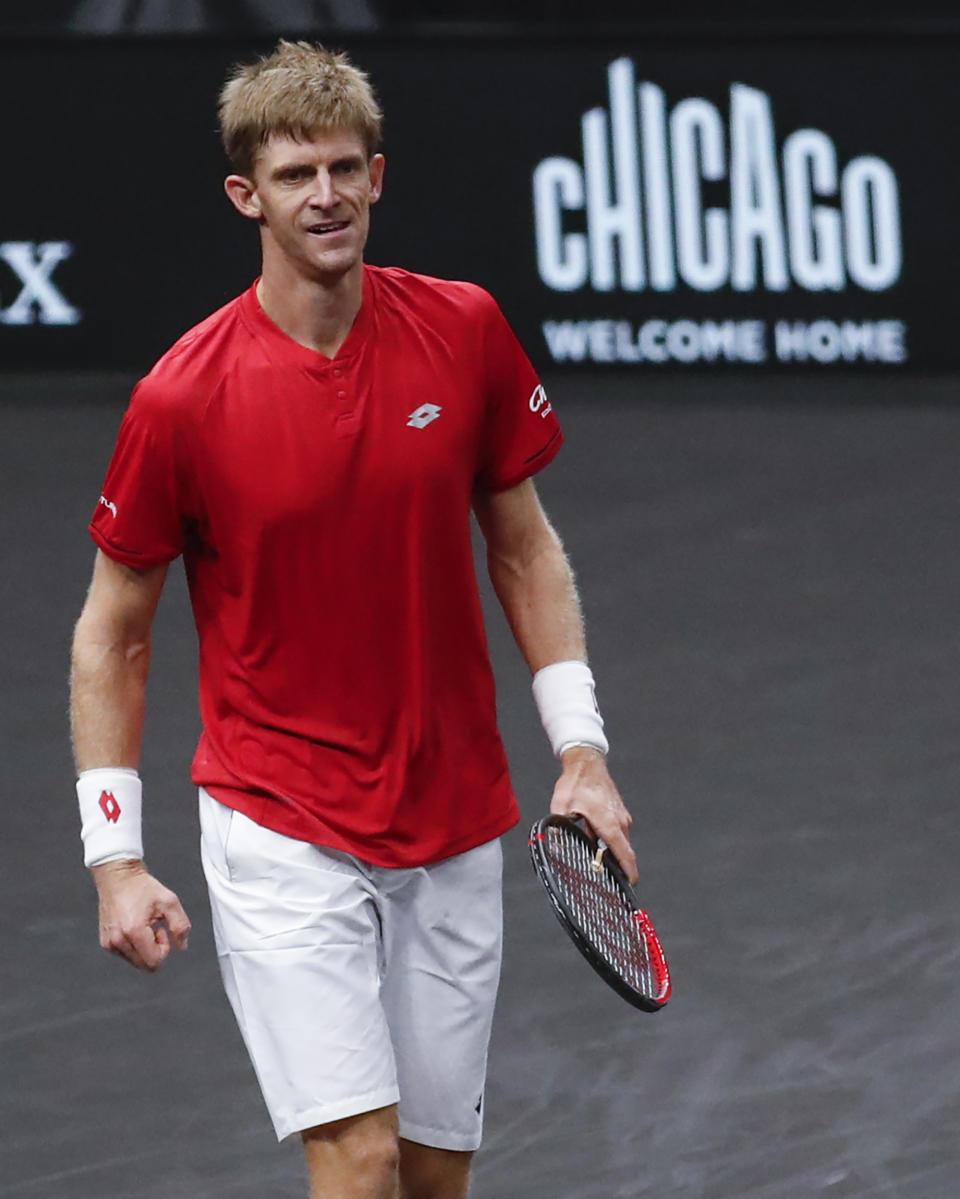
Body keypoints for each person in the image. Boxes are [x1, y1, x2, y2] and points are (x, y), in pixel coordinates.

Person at [70, 40, 636, 1199]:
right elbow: (112, 630)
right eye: (292, 176)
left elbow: (522, 544)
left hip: (454, 810)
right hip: (278, 816)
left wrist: (581, 751)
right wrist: (113, 856)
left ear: (378, 176)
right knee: (359, 1157)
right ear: (247, 197)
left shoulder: (466, 329)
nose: (323, 196)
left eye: (342, 169)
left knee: (431, 1175)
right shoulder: (182, 395)